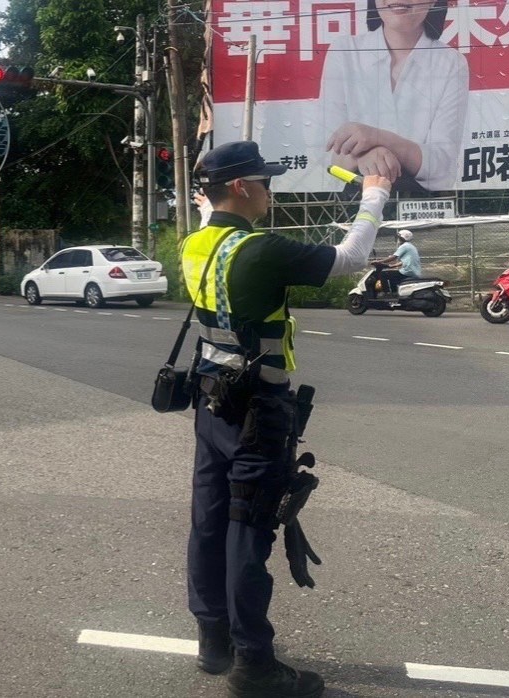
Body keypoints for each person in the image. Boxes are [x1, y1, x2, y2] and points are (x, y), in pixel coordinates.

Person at [182, 141, 390, 697]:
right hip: (259, 412)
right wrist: (374, 197)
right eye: (266, 182)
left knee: (209, 519)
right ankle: (253, 664)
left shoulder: (196, 244)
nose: (272, 191)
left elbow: (210, 210)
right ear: (244, 188)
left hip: (211, 404)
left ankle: (213, 641)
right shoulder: (261, 250)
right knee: (248, 531)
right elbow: (348, 261)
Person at [320, 0, 468, 193]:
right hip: (355, 203)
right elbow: (328, 153)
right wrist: (366, 156)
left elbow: (442, 167)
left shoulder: (451, 62)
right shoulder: (345, 50)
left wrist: (376, 138)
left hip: (421, 207)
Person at [365, 229, 420, 297]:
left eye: (399, 237)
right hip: (413, 271)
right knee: (393, 275)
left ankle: (386, 293)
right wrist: (392, 266)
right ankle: (394, 293)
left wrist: (379, 261)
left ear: (402, 238)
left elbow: (394, 257)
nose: (397, 239)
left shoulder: (405, 246)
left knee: (383, 274)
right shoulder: (410, 246)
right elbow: (405, 261)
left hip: (408, 271)